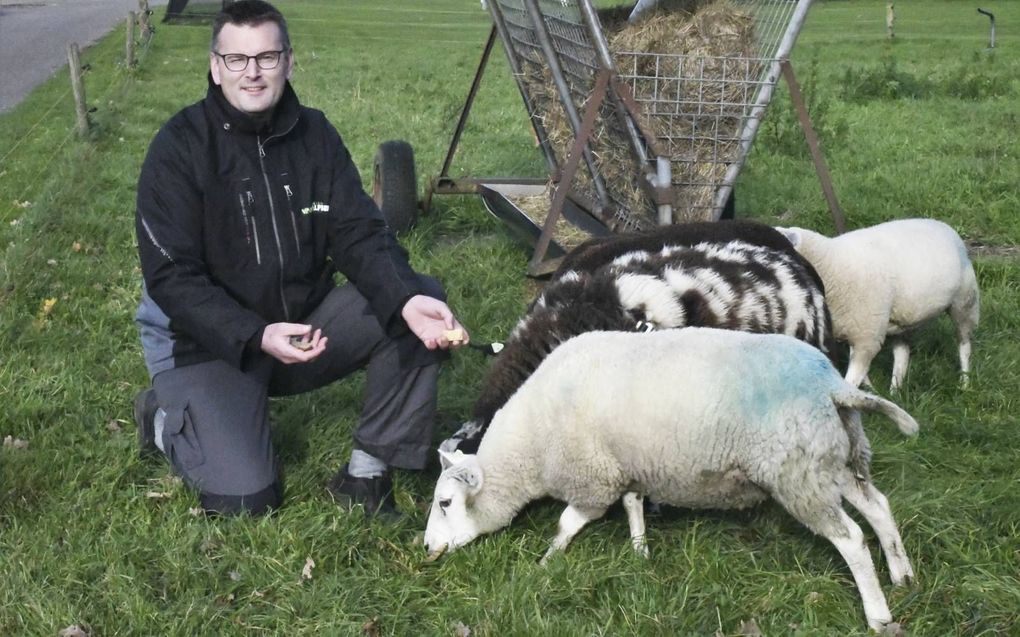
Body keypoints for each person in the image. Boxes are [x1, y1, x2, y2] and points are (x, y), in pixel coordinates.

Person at [133, 0, 468, 517]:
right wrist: (255, 335)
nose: (253, 73)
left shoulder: (315, 135)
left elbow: (359, 230)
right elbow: (171, 278)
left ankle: (365, 473)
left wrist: (404, 298)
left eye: (266, 57)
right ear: (215, 66)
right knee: (246, 498)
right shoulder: (178, 148)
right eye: (238, 59)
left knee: (415, 299)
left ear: (289, 61)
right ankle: (162, 417)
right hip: (207, 343)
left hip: (304, 326)